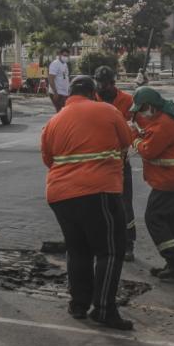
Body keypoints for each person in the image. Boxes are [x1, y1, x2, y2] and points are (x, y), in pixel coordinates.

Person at [41, 75, 134, 330]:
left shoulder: (54, 121)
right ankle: (104, 309)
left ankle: (78, 304)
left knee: (78, 249)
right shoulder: (107, 110)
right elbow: (127, 141)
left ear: (69, 94)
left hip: (60, 195)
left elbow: (48, 159)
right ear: (94, 93)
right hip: (98, 191)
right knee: (109, 250)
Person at [130, 87, 174, 280]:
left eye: (142, 109)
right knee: (173, 222)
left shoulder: (164, 125)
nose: (141, 113)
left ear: (150, 106)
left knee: (153, 218)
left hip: (169, 182)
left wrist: (133, 137)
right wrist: (137, 124)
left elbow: (149, 150)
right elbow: (149, 126)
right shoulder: (167, 113)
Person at [94, 65, 137, 262]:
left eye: (105, 84)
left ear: (113, 83)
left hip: (120, 161)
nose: (102, 87)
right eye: (99, 83)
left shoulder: (127, 100)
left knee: (125, 205)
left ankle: (128, 244)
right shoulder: (93, 99)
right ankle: (105, 242)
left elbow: (136, 126)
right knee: (100, 205)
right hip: (99, 162)